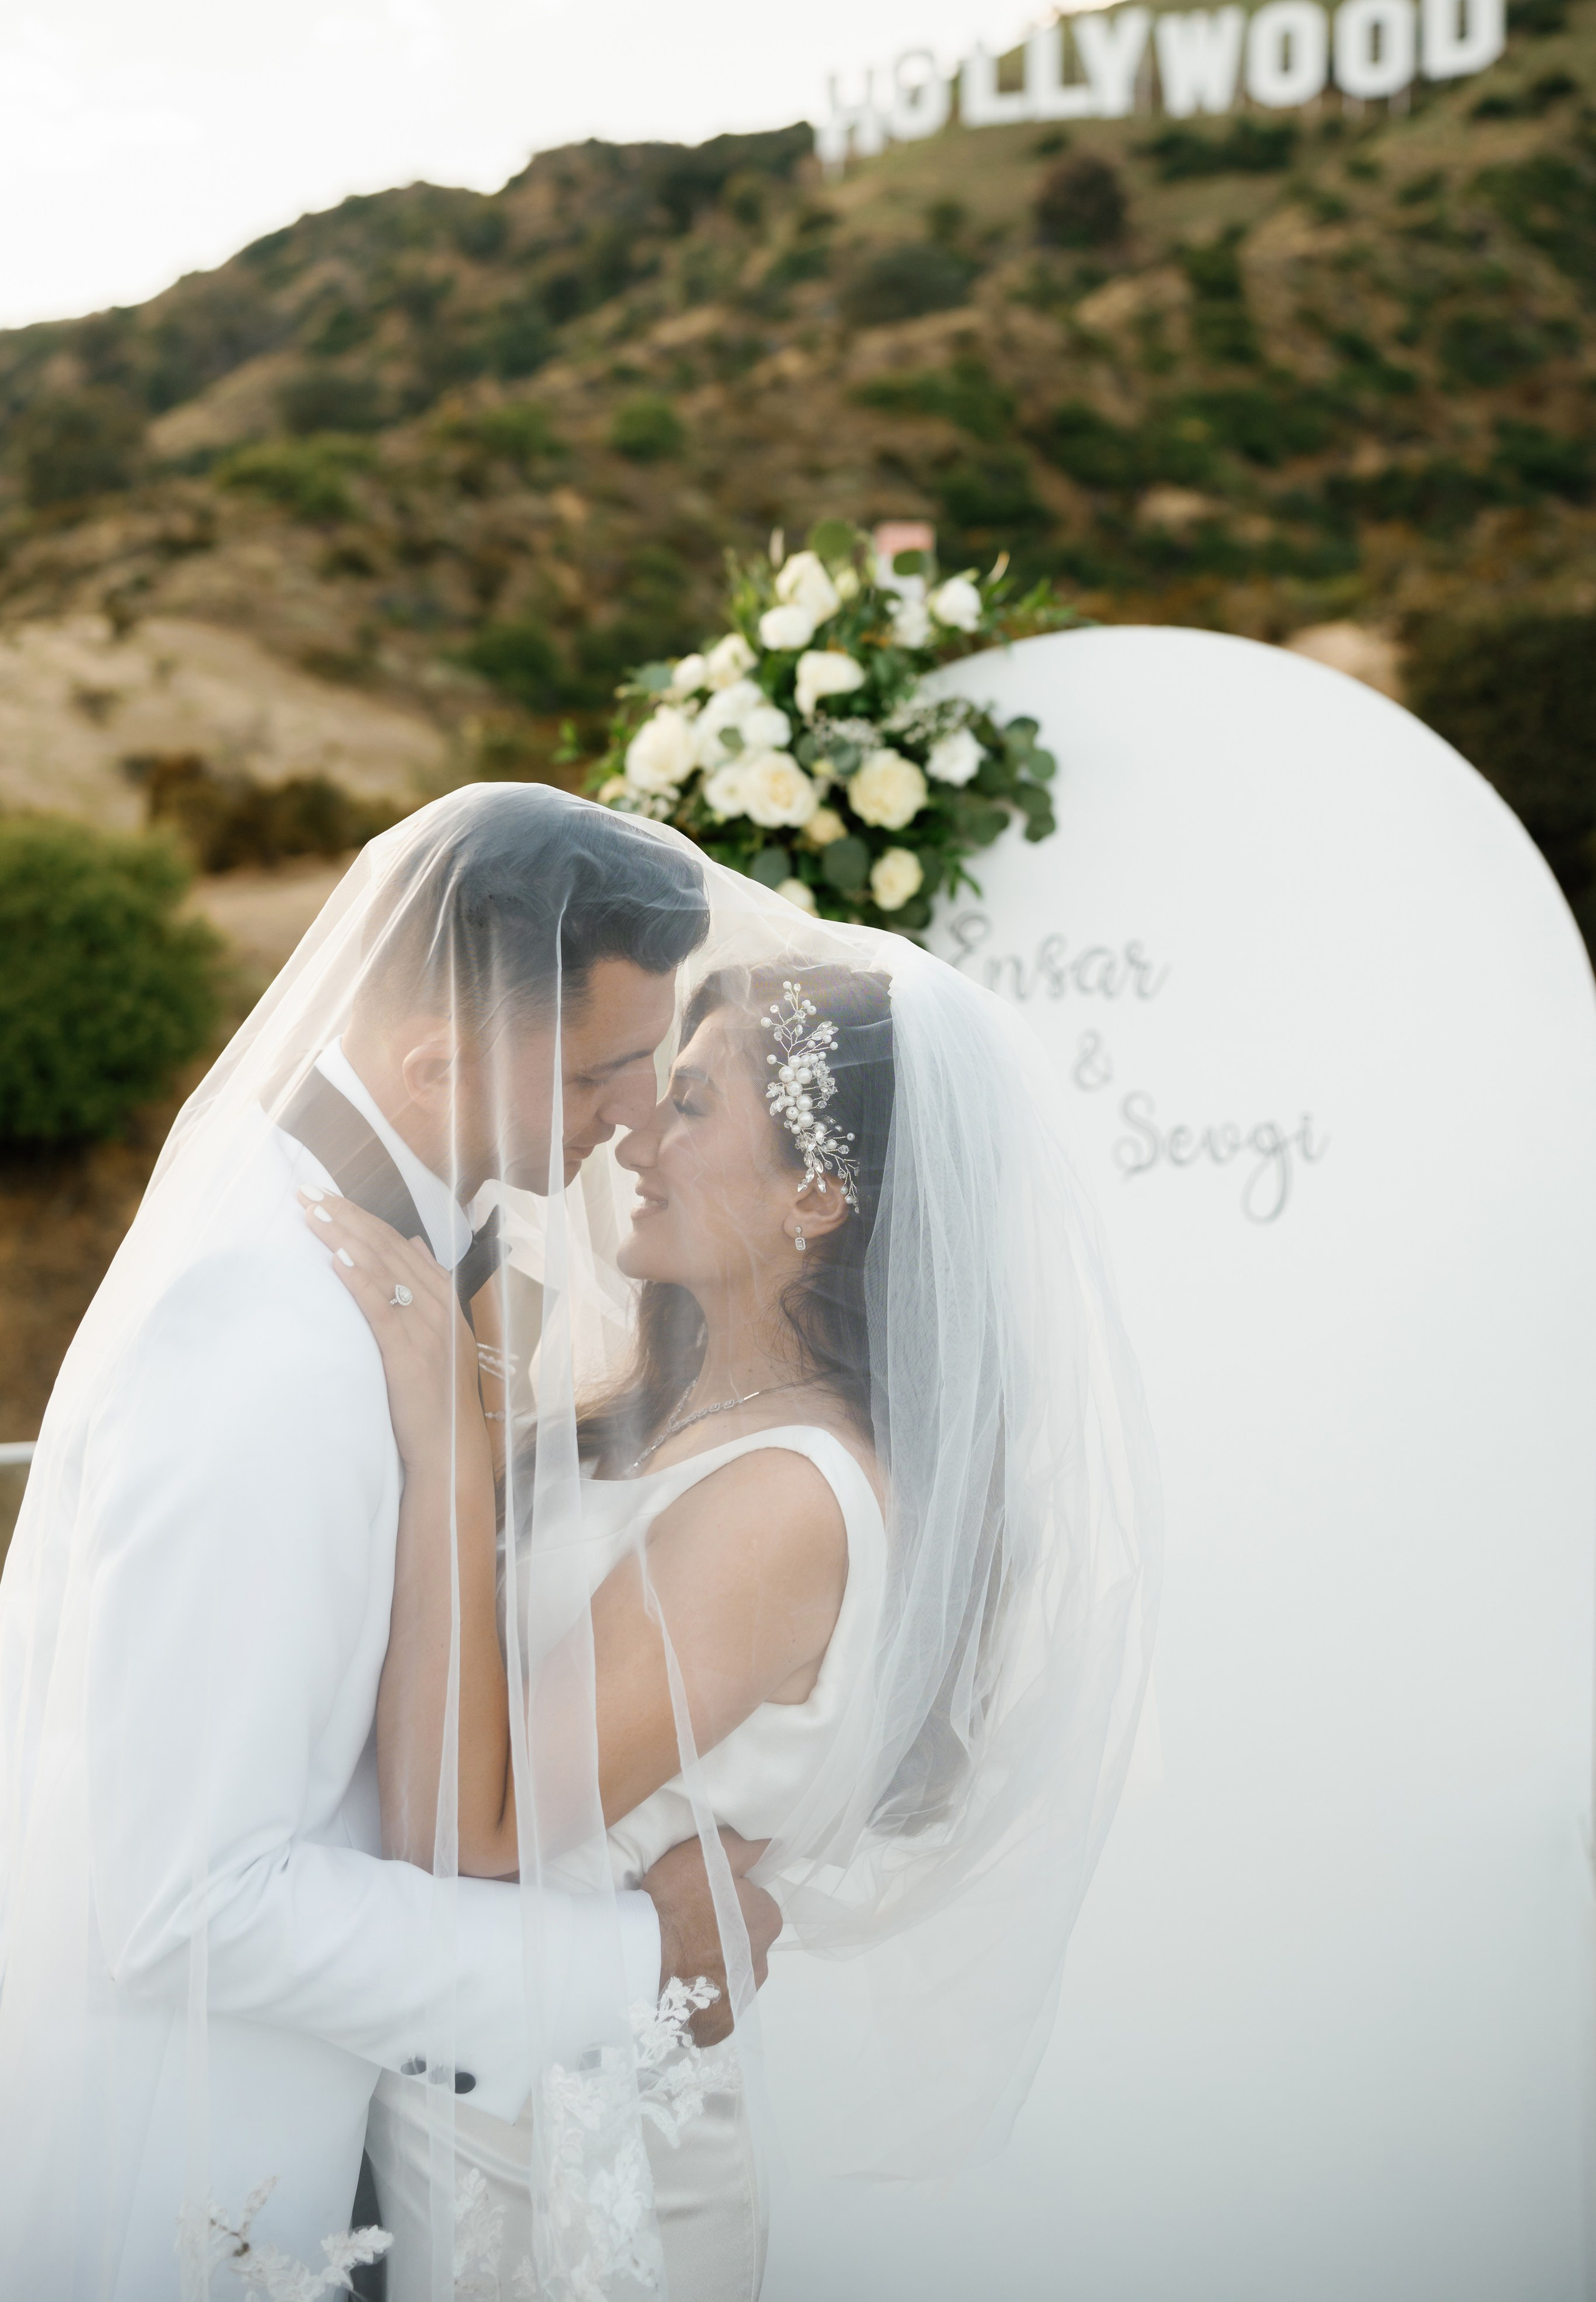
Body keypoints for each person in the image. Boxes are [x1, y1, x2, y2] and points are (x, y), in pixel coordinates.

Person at [298, 907, 1160, 2294]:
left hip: (574, 2162)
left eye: (689, 1101)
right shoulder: (669, 1416)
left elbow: (479, 1827)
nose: (634, 1132)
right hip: (467, 2078)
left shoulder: (784, 1499)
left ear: (813, 1198)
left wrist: (452, 1454)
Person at [0, 787, 781, 2299]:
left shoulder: (361, 1255)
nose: (638, 1112)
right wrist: (638, 1963)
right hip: (188, 2183)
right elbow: (184, 1901)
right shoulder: (271, 1331)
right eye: (602, 1071)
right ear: (438, 1061)